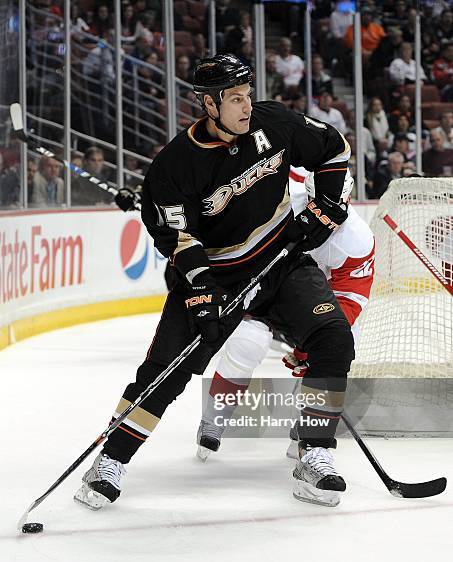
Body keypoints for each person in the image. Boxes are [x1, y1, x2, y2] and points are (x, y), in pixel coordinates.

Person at [74, 54, 354, 511]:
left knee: (333, 337)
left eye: (247, 95)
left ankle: (315, 450)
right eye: (235, 98)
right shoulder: (174, 166)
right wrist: (202, 293)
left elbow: (334, 148)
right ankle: (112, 459)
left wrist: (326, 206)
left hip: (281, 262)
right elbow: (176, 237)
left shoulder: (275, 124)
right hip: (216, 275)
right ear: (209, 103)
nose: (247, 106)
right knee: (165, 370)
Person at [197, 169, 375, 466]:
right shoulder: (278, 204)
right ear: (307, 192)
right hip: (268, 292)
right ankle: (215, 415)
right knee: (248, 342)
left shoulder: (356, 239)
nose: (328, 212)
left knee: (336, 345)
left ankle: (308, 436)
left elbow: (350, 297)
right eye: (319, 201)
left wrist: (308, 347)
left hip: (315, 305)